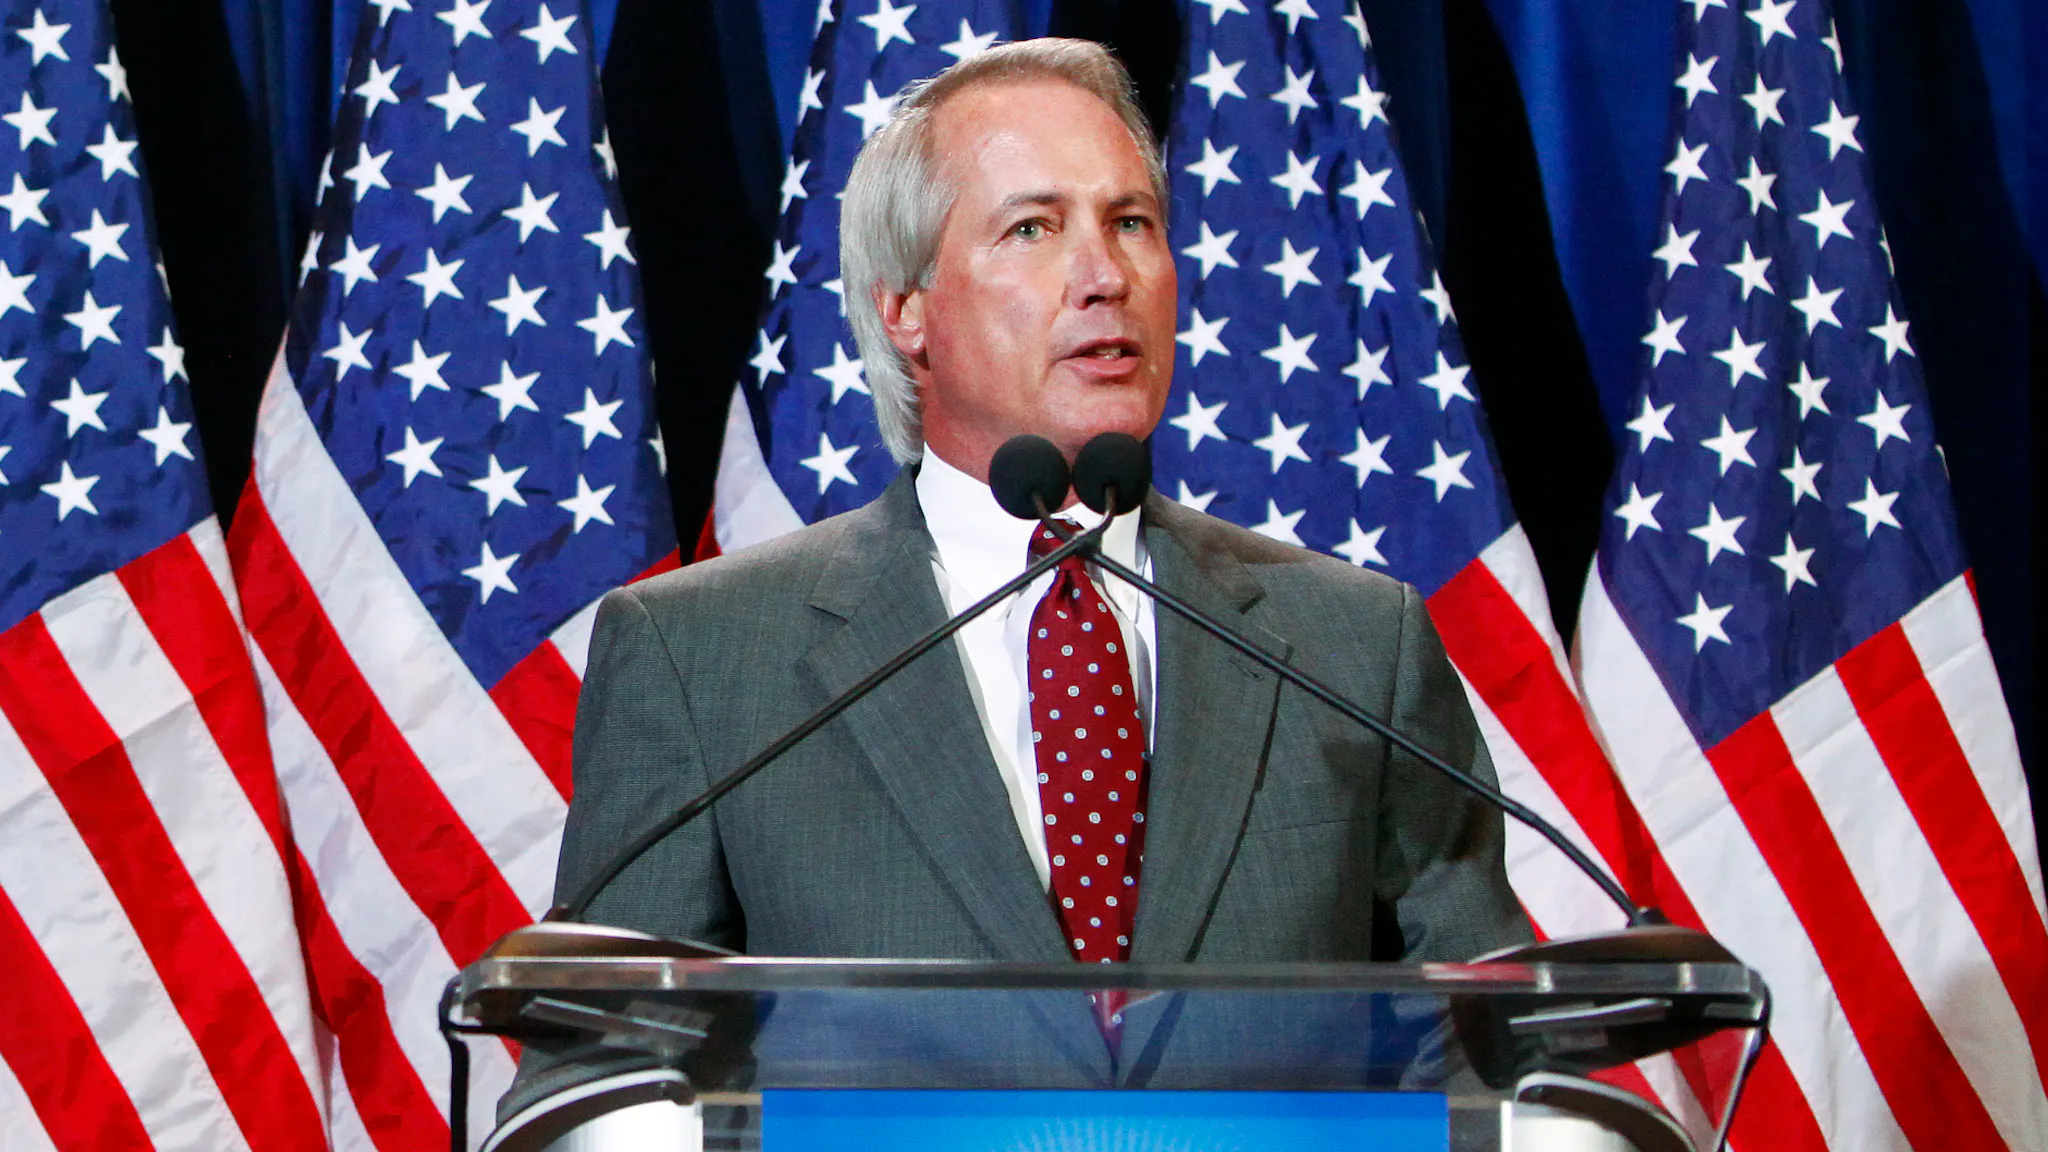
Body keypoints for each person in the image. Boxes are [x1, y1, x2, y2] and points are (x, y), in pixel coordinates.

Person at [516, 38, 1530, 1107]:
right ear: (907, 308)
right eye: (1032, 228)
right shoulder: (702, 656)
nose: (1104, 277)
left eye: (1130, 222)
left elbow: (1488, 1055)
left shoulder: (1353, 644)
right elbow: (603, 1083)